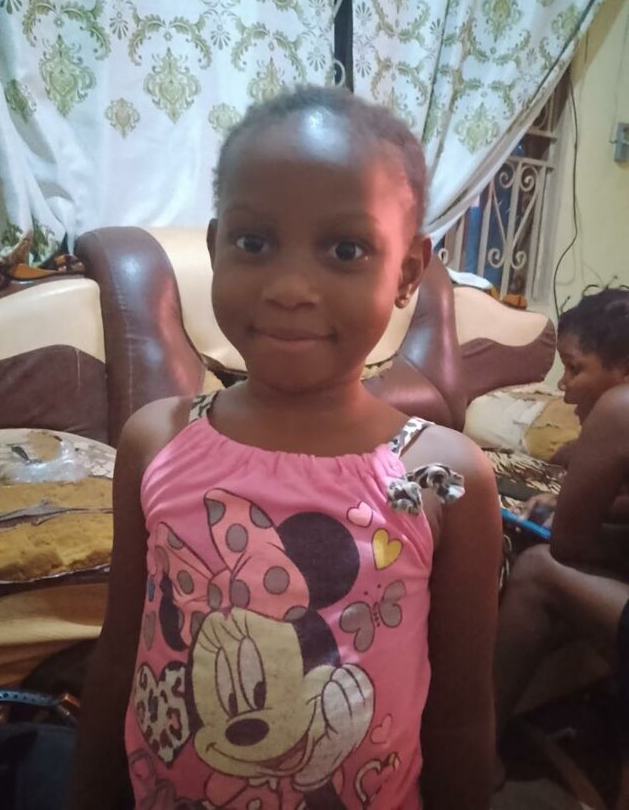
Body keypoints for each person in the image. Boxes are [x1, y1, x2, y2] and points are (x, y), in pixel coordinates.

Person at [67, 86, 502, 810]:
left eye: (345, 250)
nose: (291, 288)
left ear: (406, 273)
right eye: (254, 242)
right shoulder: (156, 441)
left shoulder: (444, 478)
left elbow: (460, 713)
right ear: (216, 248)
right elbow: (120, 663)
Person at [494, 288, 629, 807]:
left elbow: (570, 547)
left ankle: (474, 750)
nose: (561, 385)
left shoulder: (619, 407)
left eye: (574, 368)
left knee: (536, 568)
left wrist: (562, 511)